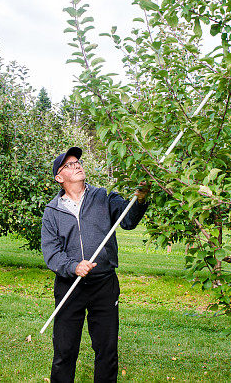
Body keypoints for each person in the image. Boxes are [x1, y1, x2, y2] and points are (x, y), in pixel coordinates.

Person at [41, 146, 150, 383]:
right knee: (65, 351)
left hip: (104, 284)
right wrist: (73, 266)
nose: (77, 165)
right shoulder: (52, 211)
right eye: (69, 164)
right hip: (70, 287)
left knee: (106, 350)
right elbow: (51, 252)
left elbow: (128, 220)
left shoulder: (103, 197)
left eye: (77, 161)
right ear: (59, 178)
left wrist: (140, 199)